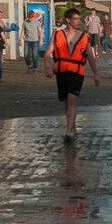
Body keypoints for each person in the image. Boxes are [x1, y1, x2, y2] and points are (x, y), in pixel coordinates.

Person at [44, 8, 100, 141]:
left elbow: (90, 57)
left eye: (79, 19)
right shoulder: (57, 35)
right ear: (68, 20)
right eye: (76, 19)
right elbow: (47, 53)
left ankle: (69, 130)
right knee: (66, 101)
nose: (79, 21)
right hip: (61, 71)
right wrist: (48, 67)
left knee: (72, 100)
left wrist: (96, 74)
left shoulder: (84, 37)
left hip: (77, 72)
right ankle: (72, 125)